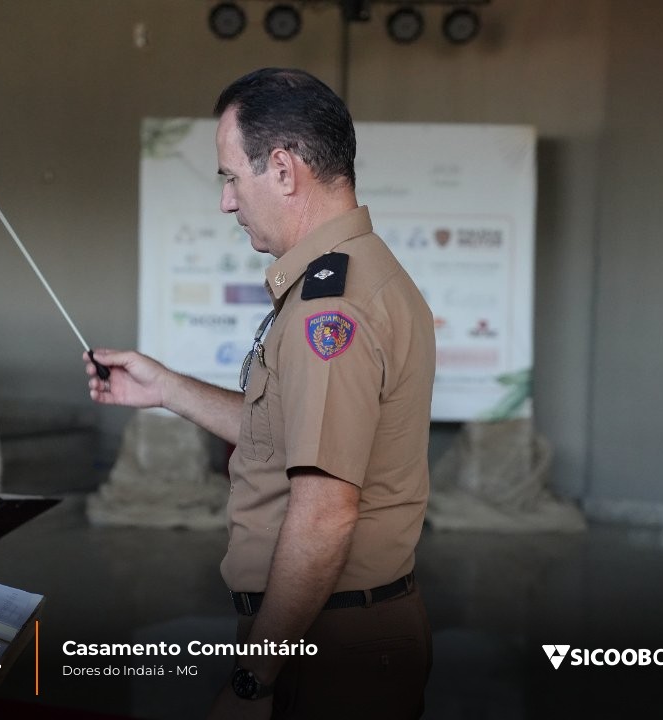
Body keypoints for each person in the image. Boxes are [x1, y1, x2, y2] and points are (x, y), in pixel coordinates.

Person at [85, 67, 435, 719]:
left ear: (282, 169)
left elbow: (325, 514)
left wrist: (254, 679)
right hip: (331, 630)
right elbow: (285, 439)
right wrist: (167, 389)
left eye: (230, 178)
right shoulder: (357, 274)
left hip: (326, 645)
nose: (226, 201)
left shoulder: (331, 309)